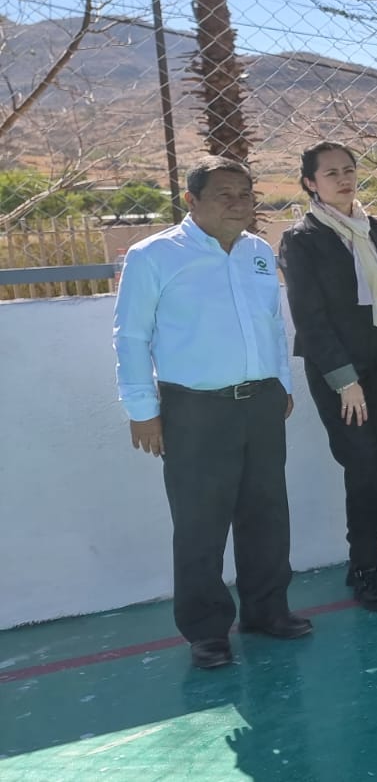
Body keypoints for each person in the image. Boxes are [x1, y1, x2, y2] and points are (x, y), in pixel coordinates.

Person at [113, 156, 309, 668]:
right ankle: (206, 630)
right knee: (200, 522)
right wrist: (142, 410)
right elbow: (131, 336)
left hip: (261, 402)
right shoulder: (154, 256)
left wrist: (282, 383)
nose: (238, 204)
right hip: (193, 409)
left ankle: (267, 610)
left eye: (245, 194)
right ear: (191, 200)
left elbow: (272, 324)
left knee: (266, 514)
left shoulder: (257, 252)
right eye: (224, 194)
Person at [279, 141, 377, 612]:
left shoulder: (371, 227)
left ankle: (368, 562)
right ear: (310, 183)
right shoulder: (301, 239)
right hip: (340, 374)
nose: (343, 179)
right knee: (362, 466)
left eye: (349, 170)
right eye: (331, 173)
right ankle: (365, 570)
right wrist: (344, 380)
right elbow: (309, 318)